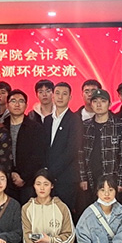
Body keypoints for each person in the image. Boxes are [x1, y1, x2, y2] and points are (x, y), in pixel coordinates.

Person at [79, 89, 122, 209]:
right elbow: (80, 154)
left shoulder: (120, 126)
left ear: (109, 104)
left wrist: (121, 182)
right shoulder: (85, 126)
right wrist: (83, 178)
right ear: (91, 104)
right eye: (95, 101)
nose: (99, 104)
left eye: (103, 101)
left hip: (112, 181)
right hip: (91, 180)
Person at [43, 82, 82, 215]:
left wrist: (52, 172)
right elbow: (44, 148)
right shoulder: (47, 120)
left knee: (64, 215)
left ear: (70, 97)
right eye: (57, 93)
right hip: (47, 178)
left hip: (66, 178)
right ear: (52, 96)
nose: (60, 97)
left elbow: (72, 150)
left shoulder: (75, 120)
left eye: (64, 94)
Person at [6, 89, 46, 204]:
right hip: (6, 181)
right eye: (13, 101)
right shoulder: (2, 127)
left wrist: (23, 177)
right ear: (7, 105)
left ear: (26, 105)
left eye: (21, 101)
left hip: (28, 181)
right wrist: (10, 173)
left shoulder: (35, 128)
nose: (17, 104)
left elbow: (38, 155)